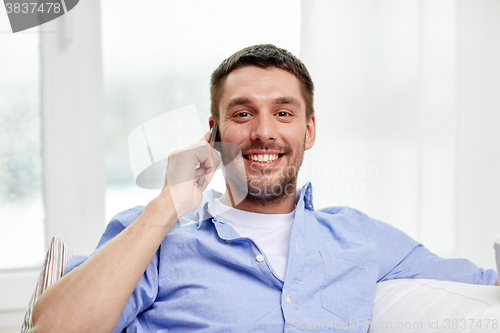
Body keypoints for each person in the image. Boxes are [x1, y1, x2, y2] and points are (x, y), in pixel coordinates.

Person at [32, 44, 498, 333]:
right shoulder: (155, 231)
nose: (262, 132)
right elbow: (52, 330)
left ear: (309, 131)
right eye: (242, 114)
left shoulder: (362, 238)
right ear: (212, 132)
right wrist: (168, 203)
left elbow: (485, 284)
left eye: (283, 112)